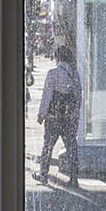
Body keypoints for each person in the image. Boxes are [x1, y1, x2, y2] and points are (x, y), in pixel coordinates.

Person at [36, 42, 82, 182]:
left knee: (48, 146)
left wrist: (41, 114)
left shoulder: (53, 73)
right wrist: (75, 114)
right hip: (69, 118)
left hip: (53, 117)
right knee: (71, 147)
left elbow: (47, 96)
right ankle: (74, 177)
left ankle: (43, 174)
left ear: (58, 57)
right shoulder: (74, 74)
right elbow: (78, 96)